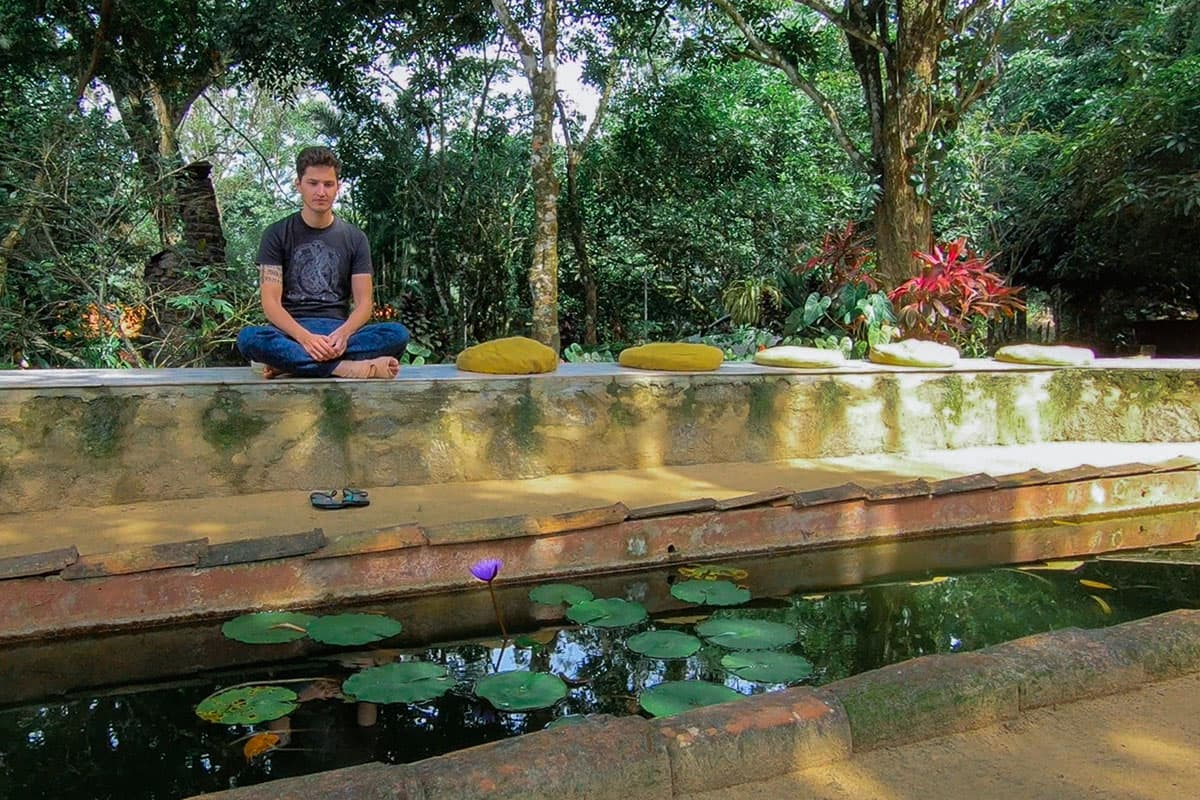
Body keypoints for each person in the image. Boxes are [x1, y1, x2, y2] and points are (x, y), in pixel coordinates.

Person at [236, 146, 409, 379]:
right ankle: (348, 369)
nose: (321, 191)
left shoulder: (355, 238)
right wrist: (305, 339)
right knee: (248, 339)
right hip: (292, 333)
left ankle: (290, 364)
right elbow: (271, 304)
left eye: (328, 184)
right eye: (313, 183)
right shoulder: (276, 233)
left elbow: (365, 303)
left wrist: (344, 334)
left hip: (338, 333)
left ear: (338, 187)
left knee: (396, 334)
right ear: (298, 185)